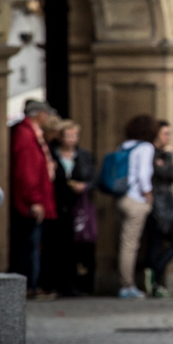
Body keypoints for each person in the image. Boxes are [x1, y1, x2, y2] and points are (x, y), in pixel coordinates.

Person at [10, 100, 57, 298]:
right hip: (30, 201)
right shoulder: (26, 134)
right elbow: (27, 171)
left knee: (32, 245)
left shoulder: (32, 133)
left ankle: (31, 286)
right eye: (46, 113)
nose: (47, 117)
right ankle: (30, 287)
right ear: (38, 114)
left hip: (36, 197)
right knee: (30, 246)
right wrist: (34, 200)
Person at [49, 120, 96, 296]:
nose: (71, 139)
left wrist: (84, 186)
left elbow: (94, 178)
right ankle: (55, 283)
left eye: (74, 136)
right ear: (60, 137)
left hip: (78, 206)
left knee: (78, 246)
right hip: (57, 203)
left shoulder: (83, 155)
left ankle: (76, 284)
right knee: (57, 245)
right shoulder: (52, 155)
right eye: (68, 135)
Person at [116, 114, 157, 299]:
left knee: (125, 242)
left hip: (121, 197)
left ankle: (126, 282)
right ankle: (127, 285)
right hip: (135, 198)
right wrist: (148, 196)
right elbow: (143, 175)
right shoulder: (146, 147)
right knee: (130, 245)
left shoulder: (125, 145)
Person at [145, 120, 173, 298]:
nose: (168, 137)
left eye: (170, 133)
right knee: (157, 243)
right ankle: (153, 278)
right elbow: (163, 172)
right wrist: (168, 157)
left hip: (166, 206)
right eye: (165, 133)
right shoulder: (151, 153)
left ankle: (153, 275)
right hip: (156, 205)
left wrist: (167, 158)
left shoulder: (163, 154)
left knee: (171, 243)